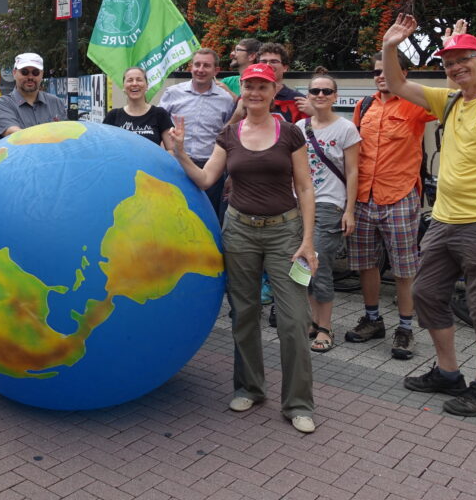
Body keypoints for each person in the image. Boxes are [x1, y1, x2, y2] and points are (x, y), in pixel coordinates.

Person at [382, 15, 476, 416]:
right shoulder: (447, 101)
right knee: (426, 294)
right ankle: (448, 373)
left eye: (464, 58)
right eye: (449, 62)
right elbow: (396, 84)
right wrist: (390, 46)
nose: (455, 67)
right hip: (443, 221)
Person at [169, 62, 318, 433]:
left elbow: (306, 188)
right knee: (244, 313)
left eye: (262, 87)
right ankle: (250, 387)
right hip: (239, 232)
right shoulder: (229, 134)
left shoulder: (289, 133)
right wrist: (182, 153)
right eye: (249, 87)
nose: (254, 93)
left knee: (294, 320)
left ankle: (298, 402)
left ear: (273, 91)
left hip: (285, 232)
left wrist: (308, 241)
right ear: (243, 91)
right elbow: (206, 180)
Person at [344, 51, 435, 360]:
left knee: (404, 268)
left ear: (403, 73)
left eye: (388, 70)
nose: (381, 75)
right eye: (376, 71)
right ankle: (372, 320)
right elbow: (353, 153)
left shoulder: (416, 104)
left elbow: (451, 100)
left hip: (399, 197)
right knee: (365, 264)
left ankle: (406, 329)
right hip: (364, 198)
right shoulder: (363, 106)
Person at [294, 71, 360, 353]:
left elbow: (354, 171)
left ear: (335, 96)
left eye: (326, 91)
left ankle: (325, 327)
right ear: (308, 95)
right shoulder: (298, 127)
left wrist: (350, 211)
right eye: (315, 91)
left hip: (330, 205)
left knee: (318, 267)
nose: (320, 95)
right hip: (298, 204)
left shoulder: (346, 129)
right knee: (302, 268)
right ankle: (312, 320)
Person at [159, 49, 235, 216]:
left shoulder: (226, 100)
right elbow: (159, 126)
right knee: (173, 215)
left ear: (216, 71)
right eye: (197, 64)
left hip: (210, 169)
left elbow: (228, 135)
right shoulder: (172, 93)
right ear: (191, 67)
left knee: (208, 217)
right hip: (176, 165)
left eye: (206, 65)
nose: (200, 69)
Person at [0, 53, 66, 139]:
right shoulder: (2, 105)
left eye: (35, 72)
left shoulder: (56, 102)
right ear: (14, 73)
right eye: (24, 72)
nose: (30, 77)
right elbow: (14, 134)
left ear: (42, 74)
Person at [103, 67, 173, 148]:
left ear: (147, 86)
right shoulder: (113, 116)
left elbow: (171, 150)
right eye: (130, 80)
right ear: (124, 87)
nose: (134, 83)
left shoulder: (160, 114)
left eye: (139, 80)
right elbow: (105, 148)